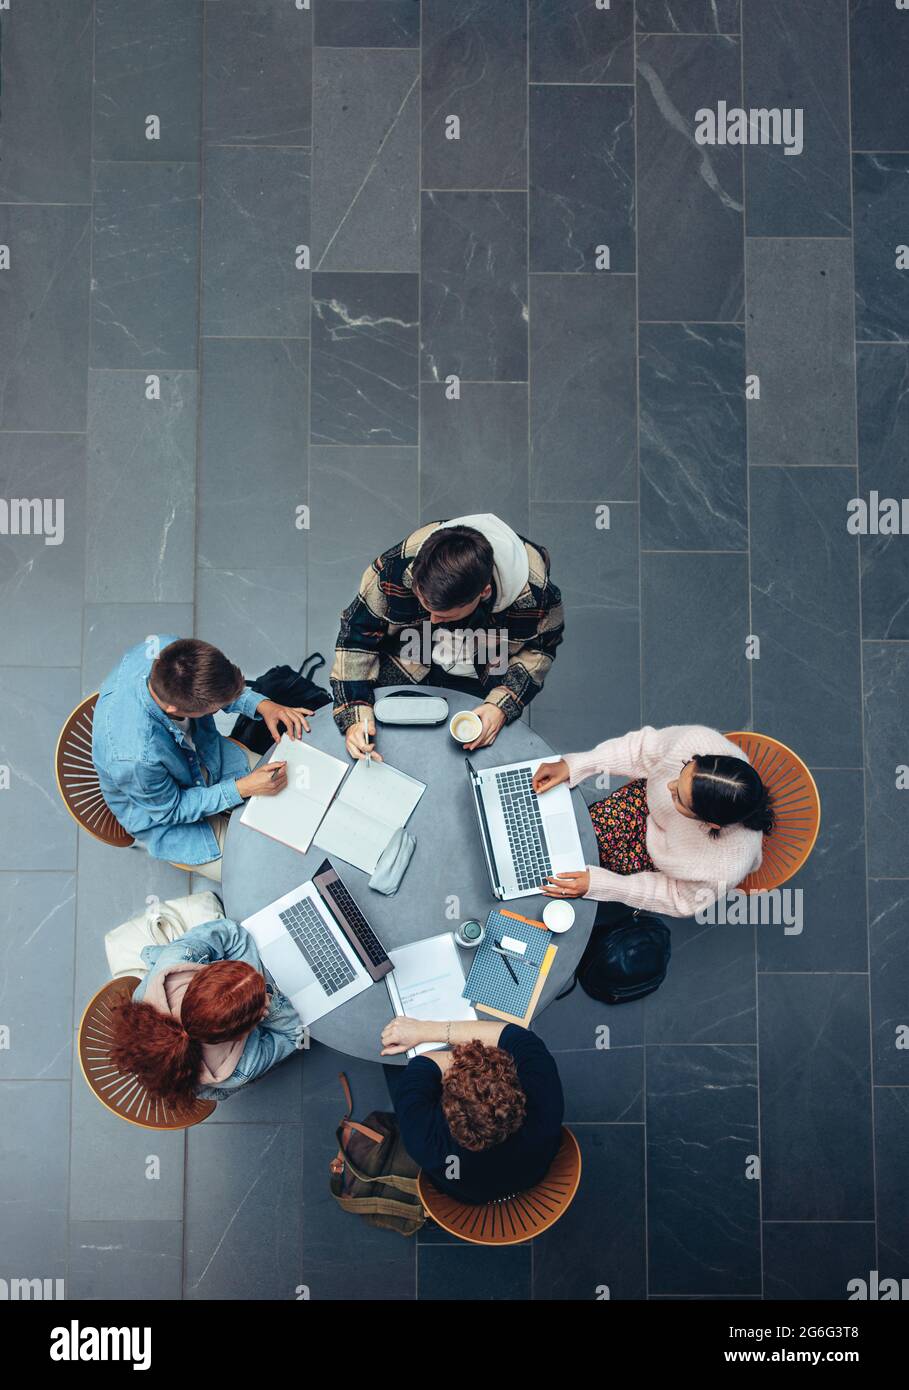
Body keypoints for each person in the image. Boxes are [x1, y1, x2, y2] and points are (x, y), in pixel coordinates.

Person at [331, 514, 564, 761]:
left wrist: (500, 706)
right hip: (407, 662)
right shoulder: (395, 568)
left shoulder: (539, 595)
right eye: (425, 607)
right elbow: (355, 637)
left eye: (443, 614)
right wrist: (355, 711)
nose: (431, 621)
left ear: (484, 592)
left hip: (486, 674)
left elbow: (540, 650)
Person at [92, 636, 313, 880]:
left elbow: (219, 691)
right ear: (174, 710)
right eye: (215, 710)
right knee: (266, 870)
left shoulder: (172, 653)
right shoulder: (134, 759)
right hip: (172, 819)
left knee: (299, 791)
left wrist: (263, 705)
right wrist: (242, 789)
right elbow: (171, 810)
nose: (221, 708)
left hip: (207, 757)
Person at [532, 724, 773, 918]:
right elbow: (640, 749)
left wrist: (602, 885)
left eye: (679, 798)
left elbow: (675, 898)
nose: (670, 785)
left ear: (711, 824)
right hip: (646, 808)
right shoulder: (698, 741)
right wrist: (575, 765)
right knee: (574, 836)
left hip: (666, 860)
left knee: (572, 881)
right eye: (683, 770)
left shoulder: (719, 870)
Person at [110, 917, 305, 1104]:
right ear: (240, 1034)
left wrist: (249, 992)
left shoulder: (176, 960)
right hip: (208, 1081)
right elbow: (298, 1037)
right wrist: (271, 1000)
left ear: (199, 975)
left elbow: (230, 932)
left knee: (164, 955)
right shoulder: (242, 1068)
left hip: (167, 1067)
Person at [380, 1017, 564, 1205]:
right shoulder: (544, 1096)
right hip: (531, 1175)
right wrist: (478, 1058)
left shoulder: (423, 1136)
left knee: (395, 1069)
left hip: (468, 1195)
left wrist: (459, 1055)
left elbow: (423, 1064)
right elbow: (514, 1035)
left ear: (448, 1105)